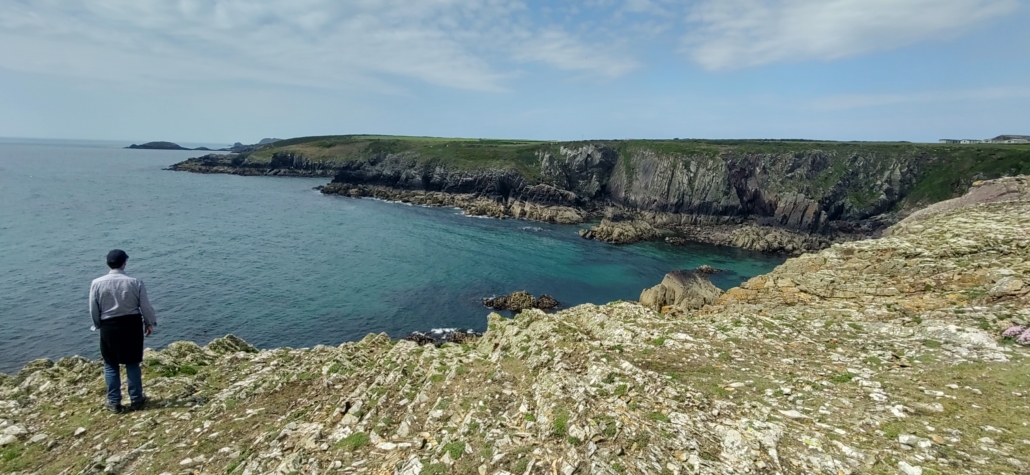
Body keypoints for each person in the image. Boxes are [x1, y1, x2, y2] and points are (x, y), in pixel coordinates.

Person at [89, 249, 157, 413]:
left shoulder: (96, 283)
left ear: (107, 263)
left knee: (110, 364)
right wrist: (149, 323)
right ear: (124, 262)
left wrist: (98, 325)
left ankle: (114, 402)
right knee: (132, 362)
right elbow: (145, 306)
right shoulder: (135, 282)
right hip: (131, 324)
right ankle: (136, 399)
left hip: (109, 326)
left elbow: (93, 309)